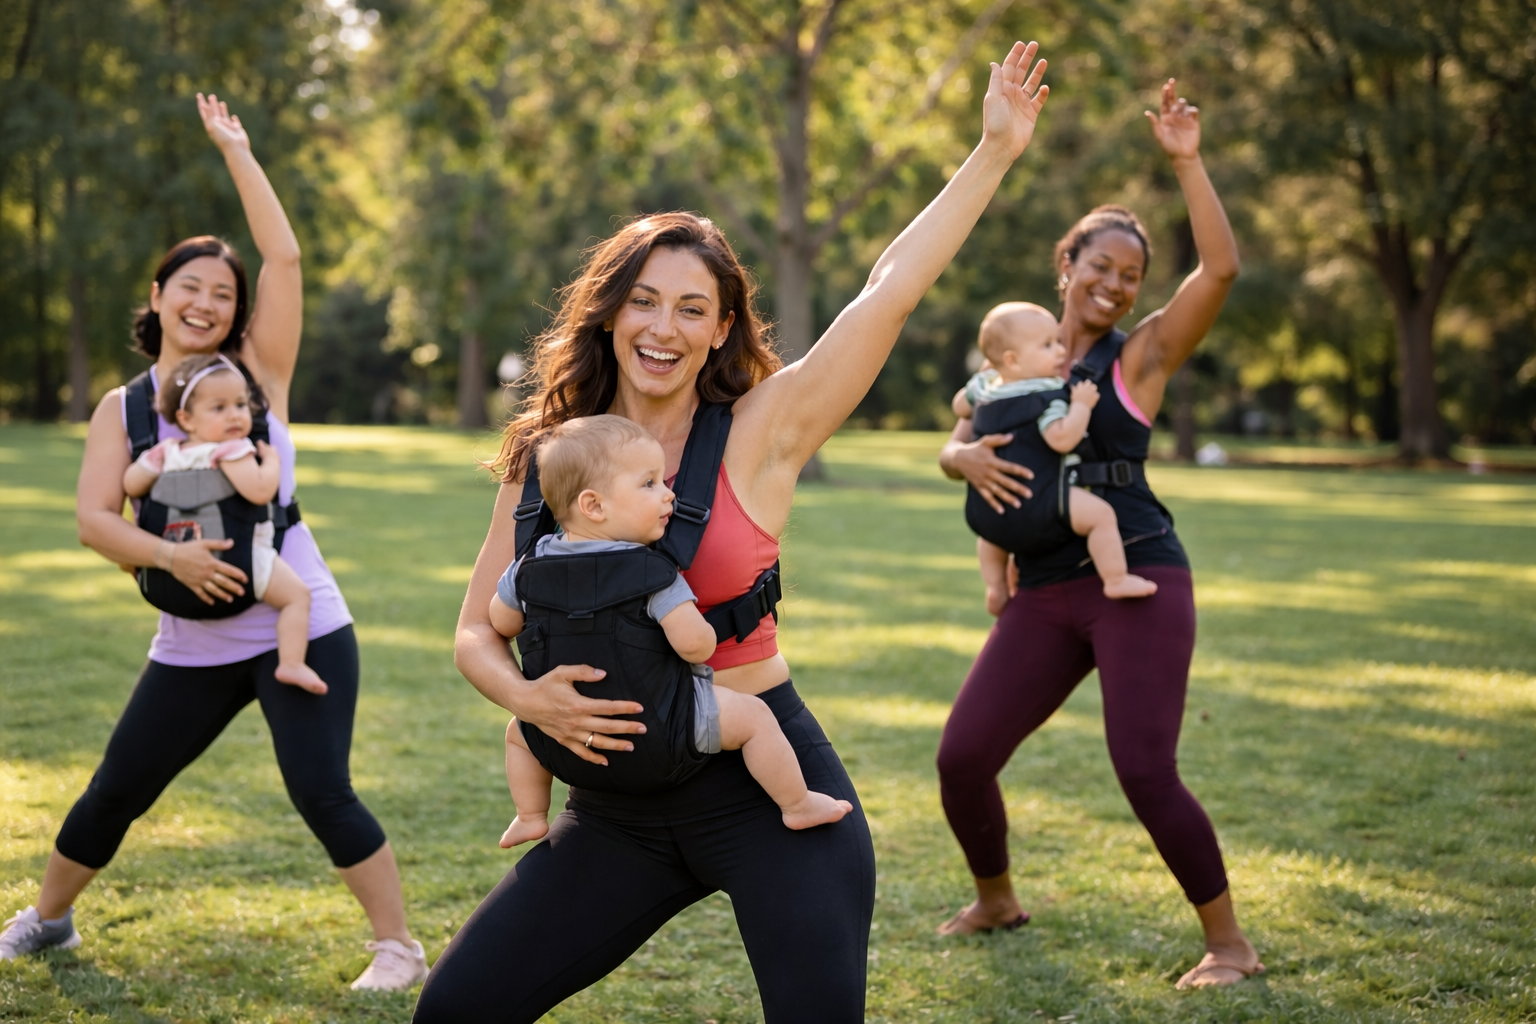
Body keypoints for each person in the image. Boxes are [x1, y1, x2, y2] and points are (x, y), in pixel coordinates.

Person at [414, 40, 1051, 1023]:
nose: (663, 327)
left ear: (722, 328)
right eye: (645, 301)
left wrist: (994, 153)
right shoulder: (551, 452)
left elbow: (888, 293)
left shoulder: (764, 431)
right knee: (455, 1009)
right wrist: (529, 700)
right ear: (611, 311)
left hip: (763, 789)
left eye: (693, 308)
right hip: (613, 811)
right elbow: (471, 628)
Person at [0, 94, 426, 990]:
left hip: (294, 625)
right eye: (188, 285)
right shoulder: (122, 410)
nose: (205, 301)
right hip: (189, 643)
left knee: (322, 791)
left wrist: (236, 149)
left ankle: (398, 949)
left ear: (236, 316)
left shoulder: (255, 379)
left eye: (221, 293)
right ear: (157, 298)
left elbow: (283, 254)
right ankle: (48, 920)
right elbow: (94, 520)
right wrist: (172, 558)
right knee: (118, 788)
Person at [934, 80, 1265, 989]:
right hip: (1043, 587)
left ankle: (1230, 944)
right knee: (963, 757)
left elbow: (1222, 272)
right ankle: (996, 898)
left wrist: (1188, 164)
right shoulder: (1015, 357)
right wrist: (955, 461)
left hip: (1138, 578)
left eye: (1130, 276)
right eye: (1101, 267)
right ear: (1066, 262)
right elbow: (957, 440)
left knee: (1144, 769)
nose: (1115, 286)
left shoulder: (1143, 357)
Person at [491, 415, 853, 847]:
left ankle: (531, 814)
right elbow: (695, 647)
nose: (669, 494)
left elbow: (502, 621)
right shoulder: (652, 573)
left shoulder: (527, 568)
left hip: (565, 744)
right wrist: (699, 627)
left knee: (518, 731)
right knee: (755, 718)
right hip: (660, 731)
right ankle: (797, 804)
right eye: (650, 484)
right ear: (594, 505)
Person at [124, 352, 328, 696]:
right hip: (243, 558)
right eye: (219, 408)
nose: (234, 415)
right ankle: (291, 662)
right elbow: (261, 489)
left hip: (178, 558)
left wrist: (154, 467)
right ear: (185, 418)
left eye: (240, 404)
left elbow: (131, 484)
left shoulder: (165, 451)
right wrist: (272, 461)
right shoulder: (231, 451)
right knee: (297, 597)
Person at [952, 302, 1158, 614]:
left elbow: (959, 408)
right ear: (1012, 360)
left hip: (990, 508)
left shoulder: (983, 387)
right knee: (1101, 517)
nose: (1060, 351)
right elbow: (1062, 439)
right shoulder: (1048, 394)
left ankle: (995, 588)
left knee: (991, 540)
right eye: (1048, 345)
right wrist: (1081, 406)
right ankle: (1115, 578)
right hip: (1042, 501)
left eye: (1058, 342)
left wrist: (983, 382)